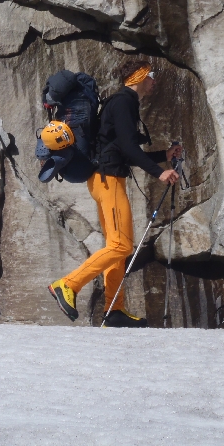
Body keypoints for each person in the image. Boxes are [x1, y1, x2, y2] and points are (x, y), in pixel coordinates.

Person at [48, 60, 182, 328]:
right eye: (151, 75)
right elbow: (129, 148)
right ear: (139, 76)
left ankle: (114, 310)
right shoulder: (123, 102)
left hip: (106, 179)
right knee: (121, 246)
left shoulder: (121, 102)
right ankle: (68, 284)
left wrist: (163, 156)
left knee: (116, 247)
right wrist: (159, 172)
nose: (154, 80)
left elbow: (123, 150)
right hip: (108, 180)